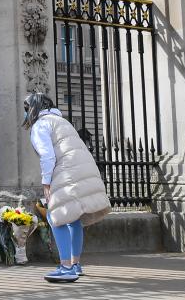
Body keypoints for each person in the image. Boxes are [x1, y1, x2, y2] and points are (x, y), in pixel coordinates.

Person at [23, 92, 111, 283]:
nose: (25, 113)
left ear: (34, 108)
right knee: (73, 218)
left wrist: (46, 182)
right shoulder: (62, 122)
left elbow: (48, 156)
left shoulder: (41, 125)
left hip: (66, 172)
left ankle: (66, 268)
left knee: (57, 216)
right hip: (83, 169)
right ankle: (75, 264)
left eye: (26, 108)